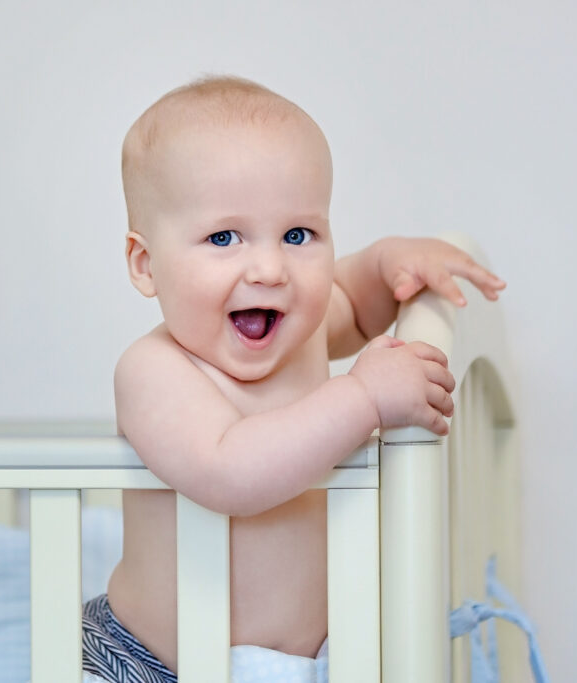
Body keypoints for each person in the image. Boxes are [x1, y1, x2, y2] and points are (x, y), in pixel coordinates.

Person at [81, 76, 505, 682]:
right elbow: (229, 472)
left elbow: (356, 303)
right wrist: (361, 396)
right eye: (224, 237)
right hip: (155, 663)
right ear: (146, 264)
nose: (271, 267)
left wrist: (391, 263)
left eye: (298, 234)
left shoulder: (301, 333)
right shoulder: (155, 369)